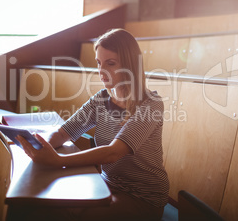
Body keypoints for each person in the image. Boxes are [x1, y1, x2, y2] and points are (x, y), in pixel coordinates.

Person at [17, 28, 169, 221]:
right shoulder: (101, 99)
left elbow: (113, 152)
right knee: (49, 208)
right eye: (99, 63)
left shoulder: (151, 104)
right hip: (106, 184)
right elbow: (64, 132)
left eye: (110, 63)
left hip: (142, 197)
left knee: (79, 216)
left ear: (130, 65)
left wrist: (58, 160)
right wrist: (42, 146)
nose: (101, 71)